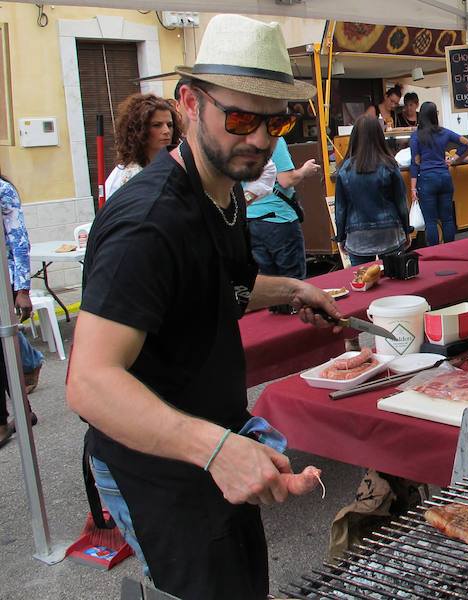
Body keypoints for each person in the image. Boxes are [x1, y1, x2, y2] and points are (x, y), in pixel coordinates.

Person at [65, 15, 345, 600]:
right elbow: (89, 382)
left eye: (278, 121)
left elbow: (223, 287)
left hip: (215, 438)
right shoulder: (148, 222)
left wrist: (293, 291)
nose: (261, 139)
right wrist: (215, 450)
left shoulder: (226, 189)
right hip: (155, 462)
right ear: (189, 103)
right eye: (242, 118)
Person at [245, 136, 322, 314]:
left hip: (250, 219)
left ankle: (278, 334)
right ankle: (296, 331)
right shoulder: (272, 139)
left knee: (268, 285)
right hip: (279, 219)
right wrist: (305, 170)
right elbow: (286, 179)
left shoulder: (240, 140)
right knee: (294, 285)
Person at [333, 115, 412, 266]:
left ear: (354, 137)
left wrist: (341, 236)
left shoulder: (345, 168)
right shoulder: (389, 164)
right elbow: (401, 202)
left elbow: (340, 209)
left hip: (357, 236)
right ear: (379, 136)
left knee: (363, 281)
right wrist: (406, 229)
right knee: (394, 280)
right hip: (390, 232)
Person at [0, 168, 42, 448]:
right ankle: (22, 409)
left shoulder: (3, 190)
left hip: (3, 282)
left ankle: (3, 422)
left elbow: (18, 240)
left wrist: (22, 289)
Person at [409, 101, 468, 247]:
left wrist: (413, 188)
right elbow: (466, 142)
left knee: (430, 221)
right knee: (448, 219)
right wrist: (454, 158)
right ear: (434, 115)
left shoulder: (416, 136)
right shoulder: (444, 132)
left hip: (426, 180)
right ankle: (450, 249)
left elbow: (415, 163)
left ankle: (435, 251)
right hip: (445, 178)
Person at [104, 93, 184, 199]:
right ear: (139, 129)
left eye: (169, 125)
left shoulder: (177, 166)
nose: (166, 131)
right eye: (157, 125)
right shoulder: (126, 177)